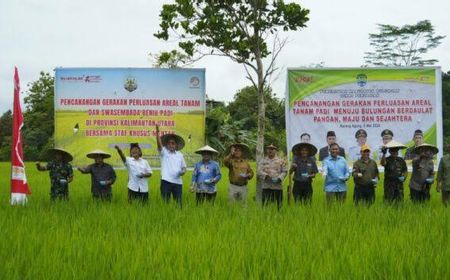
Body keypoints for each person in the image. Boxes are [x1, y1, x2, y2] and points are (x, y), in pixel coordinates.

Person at [155, 124, 186, 207]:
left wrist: (182, 172)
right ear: (166, 145)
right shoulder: (164, 152)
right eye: (169, 143)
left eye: (173, 143)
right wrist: (157, 133)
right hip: (166, 181)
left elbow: (184, 168)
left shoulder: (180, 155)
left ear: (176, 145)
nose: (171, 145)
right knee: (165, 204)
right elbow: (159, 145)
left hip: (178, 182)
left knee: (179, 204)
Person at [258, 144, 287, 208]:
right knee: (265, 205)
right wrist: (266, 176)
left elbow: (285, 171)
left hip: (277, 186)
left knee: (279, 206)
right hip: (266, 186)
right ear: (266, 150)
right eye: (268, 149)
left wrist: (280, 178)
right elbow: (259, 171)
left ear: (275, 151)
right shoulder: (263, 160)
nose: (270, 150)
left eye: (272, 149)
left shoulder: (281, 161)